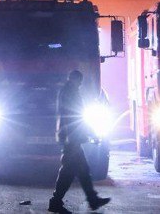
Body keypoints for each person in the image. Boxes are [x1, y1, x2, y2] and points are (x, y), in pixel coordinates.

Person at [48, 69, 110, 214]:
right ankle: (56, 202)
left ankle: (92, 200)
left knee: (81, 170)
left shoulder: (66, 91)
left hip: (70, 138)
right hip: (72, 139)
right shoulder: (72, 93)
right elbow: (77, 117)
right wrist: (90, 134)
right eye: (80, 82)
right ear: (76, 80)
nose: (80, 84)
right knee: (69, 172)